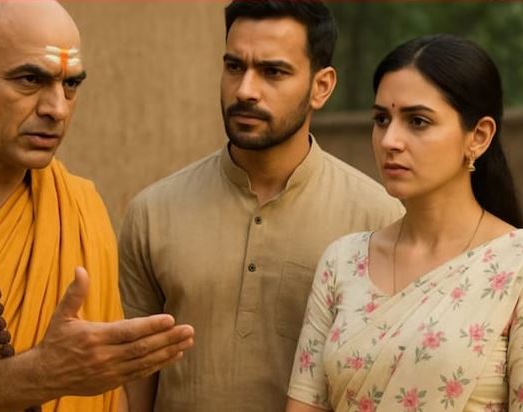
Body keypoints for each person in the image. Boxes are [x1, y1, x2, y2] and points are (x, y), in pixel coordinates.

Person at [0, 2, 195, 411]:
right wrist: (35, 377)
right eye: (30, 79)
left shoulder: (79, 206)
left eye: (70, 84)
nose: (57, 108)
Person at [118, 1, 403, 411]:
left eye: (273, 72)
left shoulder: (379, 220)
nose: (245, 90)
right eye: (235, 67)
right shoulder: (152, 214)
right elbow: (133, 381)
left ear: (321, 86)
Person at [286, 34, 523, 412]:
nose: (390, 141)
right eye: (381, 119)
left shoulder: (518, 265)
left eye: (417, 121)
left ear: (478, 136)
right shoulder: (343, 262)